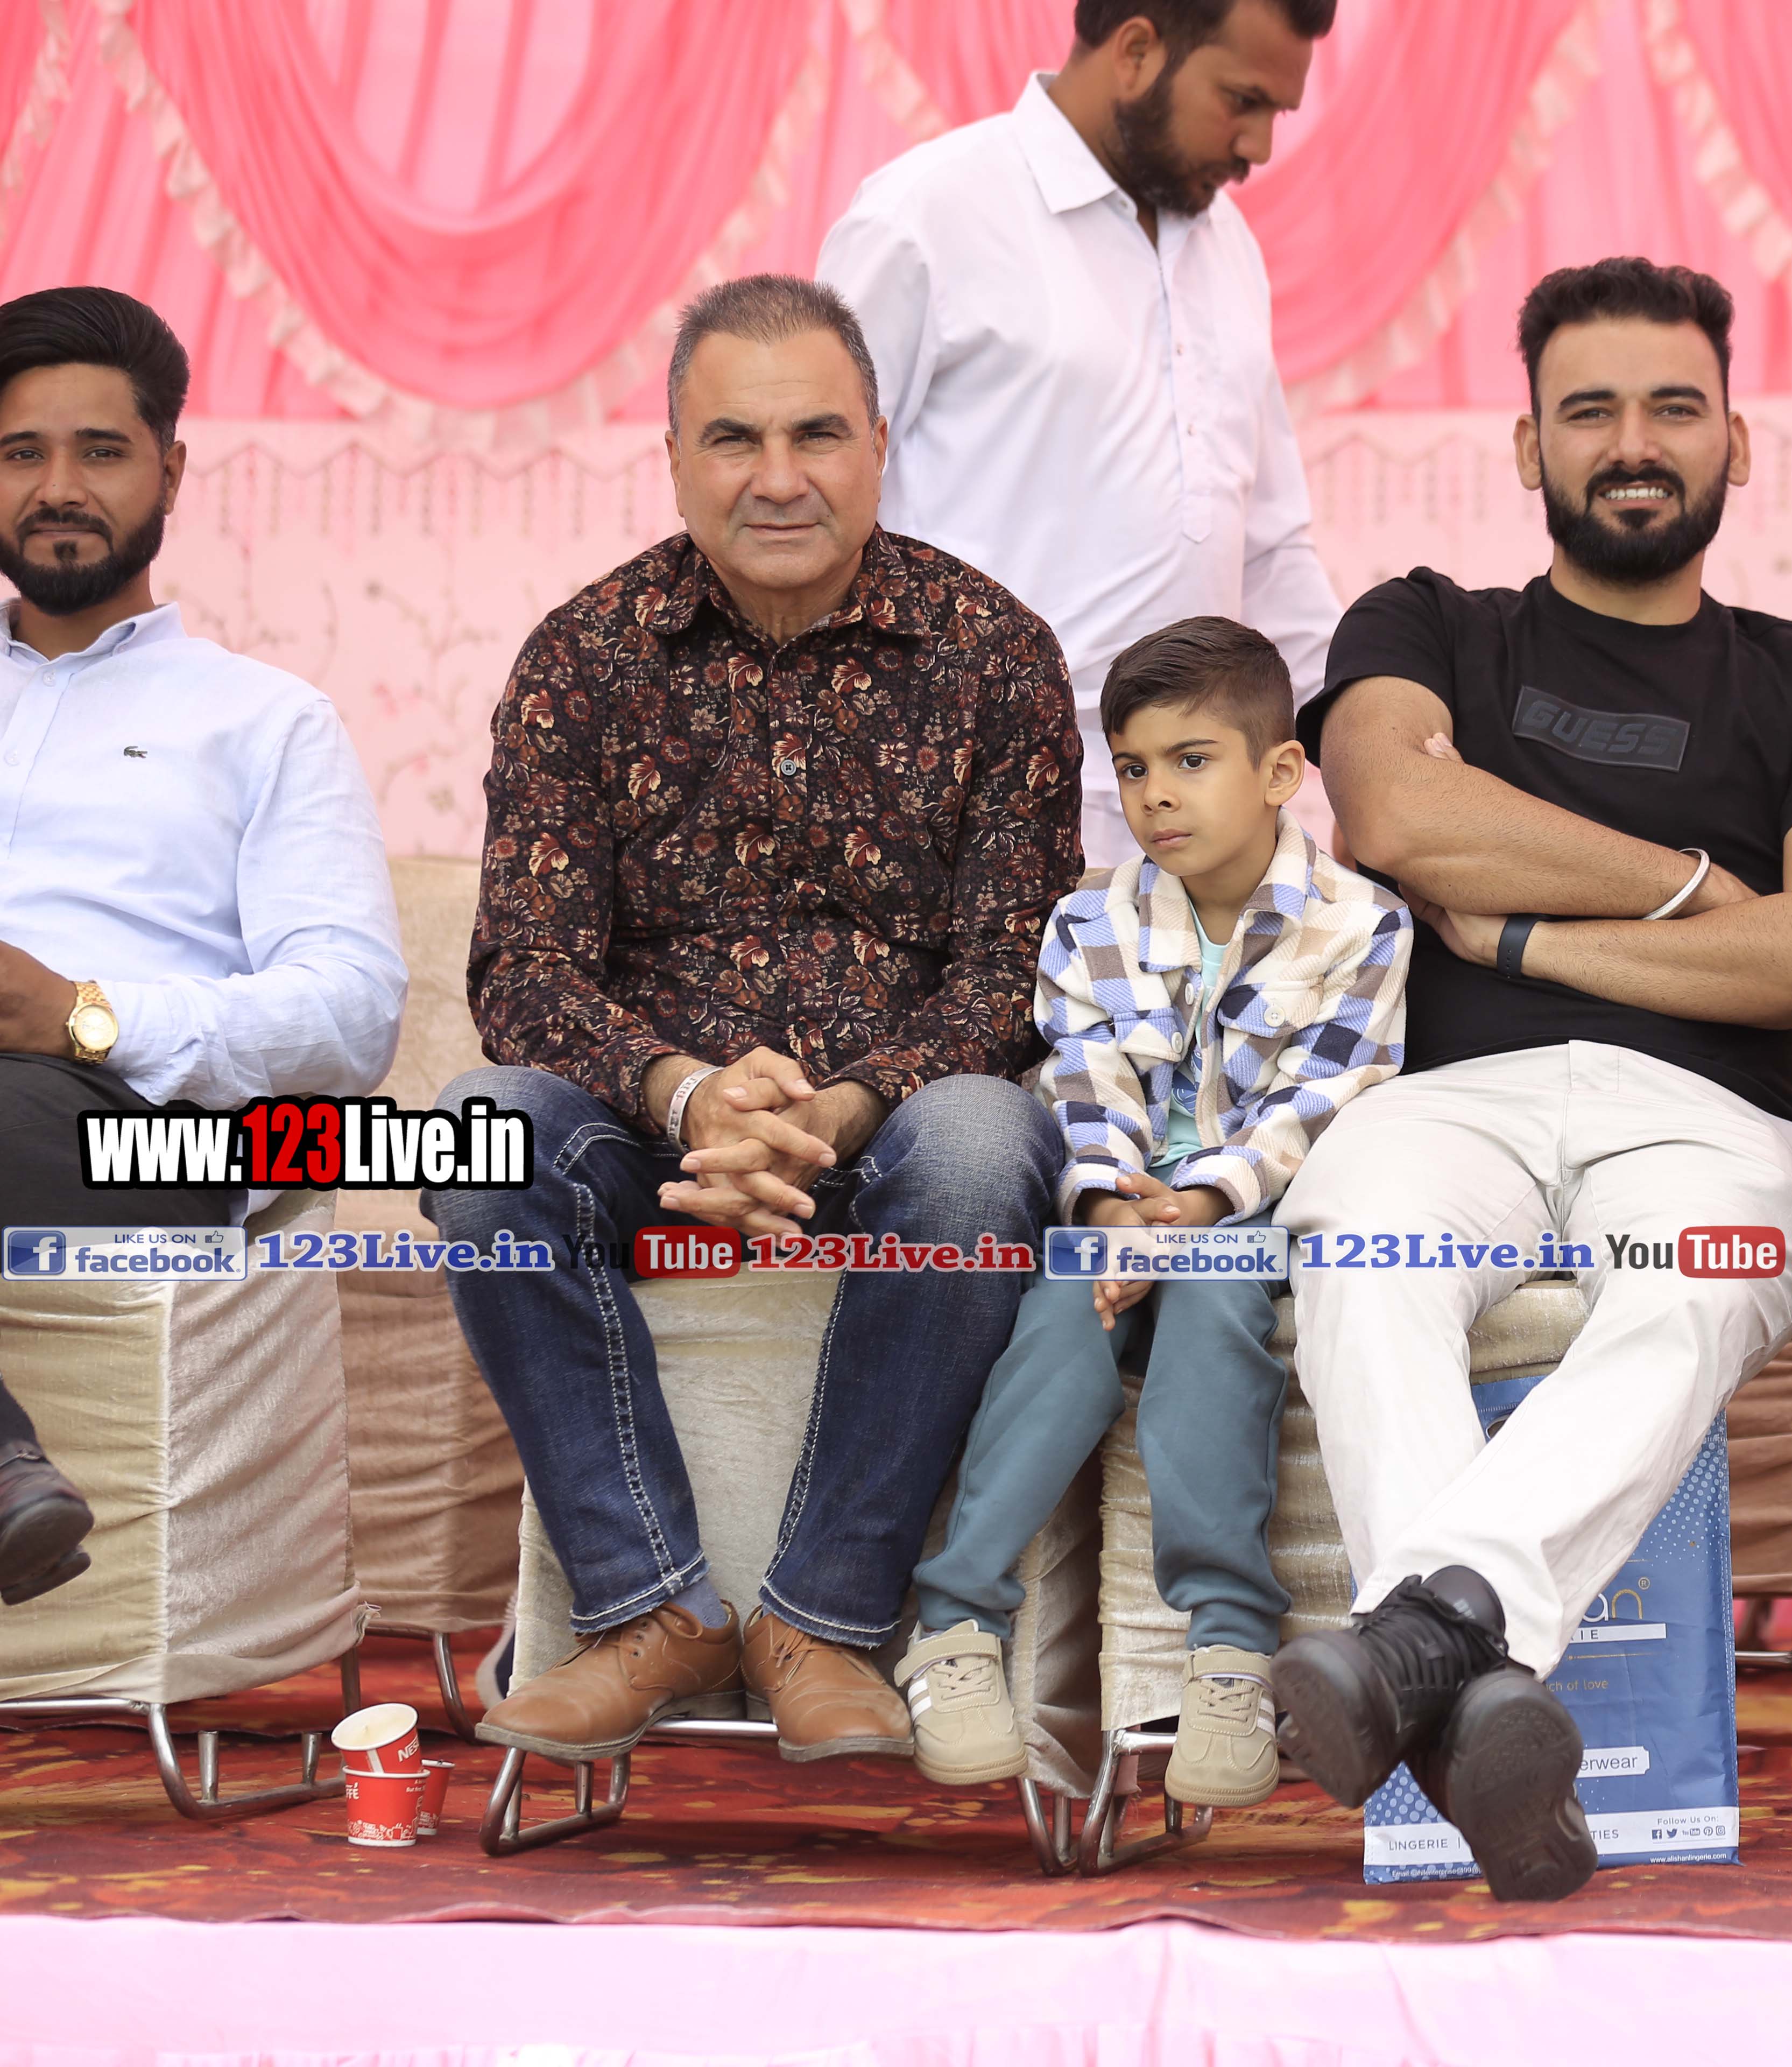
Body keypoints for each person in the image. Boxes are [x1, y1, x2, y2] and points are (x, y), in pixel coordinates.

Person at [1268, 257, 1792, 1901]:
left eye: (1674, 408)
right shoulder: (1427, 625)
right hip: (1455, 1104)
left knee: (1705, 1280)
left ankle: (1425, 1645)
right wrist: (1704, 894)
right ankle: (1471, 1684)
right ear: (1528, 446)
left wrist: (1523, 934)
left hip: (1711, 1126)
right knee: (1354, 1237)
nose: (1634, 443)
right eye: (1591, 411)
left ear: (1737, 440)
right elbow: (1398, 816)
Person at [435, 275, 1081, 1767]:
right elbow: (523, 970)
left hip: (897, 1136)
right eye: (734, 438)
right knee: (479, 1132)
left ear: (880, 446)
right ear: (672, 456)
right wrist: (688, 1097)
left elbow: (1013, 972)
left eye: (817, 435)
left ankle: (822, 1623)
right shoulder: (583, 658)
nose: (778, 478)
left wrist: (837, 1107)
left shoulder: (994, 654)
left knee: (986, 1146)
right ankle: (647, 1607)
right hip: (650, 1140)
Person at [897, 615, 1408, 1799]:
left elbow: (1323, 1102)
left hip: (1253, 1210)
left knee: (1217, 1309)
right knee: (1063, 1311)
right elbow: (1084, 1084)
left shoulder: (1362, 924)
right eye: (1131, 768)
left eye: (1191, 760)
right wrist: (1114, 1214)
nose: (1156, 795)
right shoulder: (1089, 924)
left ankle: (1229, 1649)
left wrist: (1202, 1207)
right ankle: (957, 1623)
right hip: (1121, 1207)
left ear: (1280, 772)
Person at [0, 285, 402, 1607]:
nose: (58, 488)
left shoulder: (265, 722)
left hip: (143, 1133)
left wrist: (87, 1014)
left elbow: (350, 1020)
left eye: (100, 451)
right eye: (21, 454)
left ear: (169, 471)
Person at [819, 0, 1343, 866]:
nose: (1258, 146)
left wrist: (1360, 752)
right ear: (1136, 50)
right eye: (1243, 100)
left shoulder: (1228, 246)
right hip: (965, 824)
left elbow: (1270, 551)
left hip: (1203, 837)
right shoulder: (925, 217)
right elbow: (813, 508)